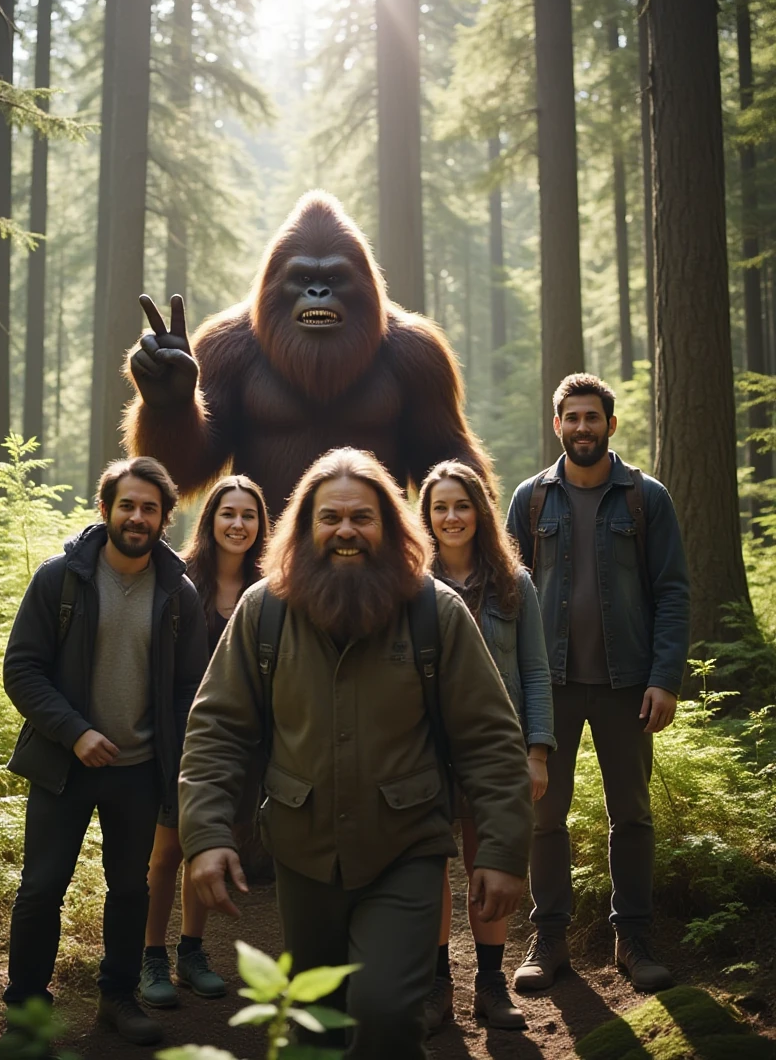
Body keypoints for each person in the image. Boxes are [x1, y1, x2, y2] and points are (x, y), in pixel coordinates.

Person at [178, 447, 533, 1060]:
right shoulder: (264, 611)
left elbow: (490, 738)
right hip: (302, 848)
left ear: (390, 528)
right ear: (305, 527)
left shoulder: (435, 612)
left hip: (407, 846)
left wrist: (501, 851)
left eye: (363, 518)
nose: (346, 530)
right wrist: (206, 836)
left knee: (387, 1010)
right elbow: (216, 727)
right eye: (330, 518)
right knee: (317, 1017)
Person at [2, 457, 208, 1046]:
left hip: (139, 772)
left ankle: (117, 998)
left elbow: (191, 691)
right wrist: (75, 732)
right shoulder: (60, 578)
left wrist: (181, 768)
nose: (137, 517)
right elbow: (21, 669)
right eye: (127, 505)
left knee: (129, 891)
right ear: (106, 510)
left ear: (165, 518)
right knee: (42, 887)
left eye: (149, 508)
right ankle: (27, 1011)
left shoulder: (178, 595)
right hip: (63, 764)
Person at [506, 374, 690, 993]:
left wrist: (664, 678)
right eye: (571, 418)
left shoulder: (647, 498)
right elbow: (507, 598)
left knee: (632, 816)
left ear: (611, 425)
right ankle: (550, 937)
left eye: (593, 417)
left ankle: (632, 938)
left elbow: (672, 592)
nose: (582, 427)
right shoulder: (531, 499)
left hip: (626, 684)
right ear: (556, 425)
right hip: (547, 686)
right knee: (543, 817)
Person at [418, 461, 555, 1031]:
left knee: (488, 864)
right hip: (422, 750)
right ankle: (435, 987)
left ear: (480, 511)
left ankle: (491, 986)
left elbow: (536, 673)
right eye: (440, 508)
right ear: (425, 516)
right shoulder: (410, 583)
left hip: (495, 751)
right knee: (428, 870)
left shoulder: (512, 582)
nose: (452, 517)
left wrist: (537, 752)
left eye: (462, 505)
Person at [140, 475, 269, 1009]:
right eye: (228, 514)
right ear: (211, 520)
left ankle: (192, 952)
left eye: (249, 516)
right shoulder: (179, 582)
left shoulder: (271, 590)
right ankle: (151, 957)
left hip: (245, 747)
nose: (238, 525)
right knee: (167, 850)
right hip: (181, 740)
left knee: (210, 845)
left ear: (261, 526)